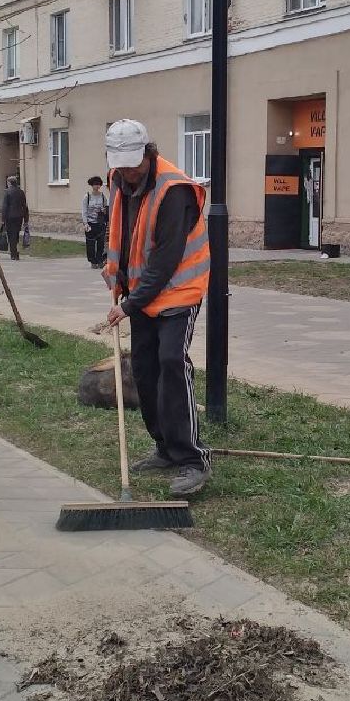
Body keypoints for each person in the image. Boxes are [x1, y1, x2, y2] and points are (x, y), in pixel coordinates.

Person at [102, 120, 211, 497]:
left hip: (178, 292)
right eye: (122, 166)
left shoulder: (175, 190)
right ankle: (164, 447)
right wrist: (114, 270)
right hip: (141, 294)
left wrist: (130, 304)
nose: (129, 172)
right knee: (144, 369)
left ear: (148, 153)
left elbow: (165, 260)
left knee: (170, 362)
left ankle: (192, 459)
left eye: (134, 164)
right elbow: (122, 231)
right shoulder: (119, 181)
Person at [81, 175, 108, 269]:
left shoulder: (103, 197)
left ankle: (100, 260)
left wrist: (105, 211)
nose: (96, 186)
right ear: (91, 185)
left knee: (100, 243)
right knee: (90, 244)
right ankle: (93, 261)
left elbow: (106, 208)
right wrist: (85, 223)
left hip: (100, 223)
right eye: (95, 184)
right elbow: (84, 211)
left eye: (98, 185)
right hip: (90, 223)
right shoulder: (87, 197)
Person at [0, 175, 29, 261]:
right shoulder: (21, 192)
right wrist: (26, 218)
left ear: (9, 183)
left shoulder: (7, 192)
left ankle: (13, 254)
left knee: (10, 235)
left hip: (10, 217)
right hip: (19, 216)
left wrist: (3, 219)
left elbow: (5, 206)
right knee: (16, 234)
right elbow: (25, 206)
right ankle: (16, 252)